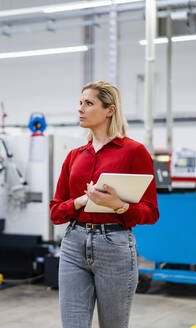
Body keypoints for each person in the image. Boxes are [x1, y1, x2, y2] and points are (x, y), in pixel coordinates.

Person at [50, 81, 159, 328]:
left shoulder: (134, 152)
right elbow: (56, 211)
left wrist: (119, 205)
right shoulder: (74, 156)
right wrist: (81, 201)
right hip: (73, 246)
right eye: (80, 103)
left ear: (110, 110)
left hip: (115, 247)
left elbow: (151, 211)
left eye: (89, 103)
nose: (80, 109)